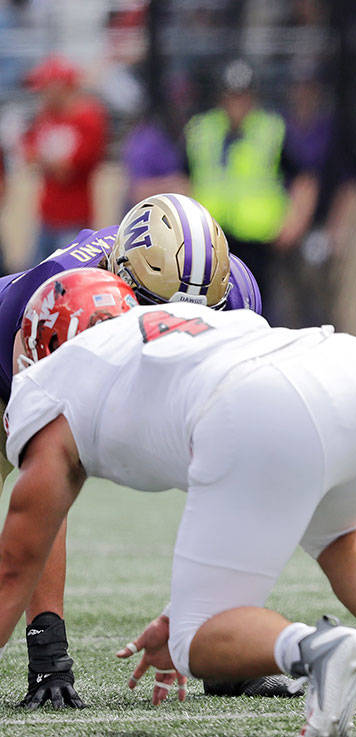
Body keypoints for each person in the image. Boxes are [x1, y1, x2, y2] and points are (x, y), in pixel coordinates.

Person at [0, 268, 356, 736]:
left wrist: (187, 624)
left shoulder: (52, 383)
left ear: (44, 336)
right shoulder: (165, 329)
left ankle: (318, 649)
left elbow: (16, 566)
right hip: (354, 367)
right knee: (342, 536)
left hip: (259, 398)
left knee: (194, 641)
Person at [0, 193, 266, 708]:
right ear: (120, 281)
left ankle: (225, 644)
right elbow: (45, 491)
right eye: (155, 313)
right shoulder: (60, 303)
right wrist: (48, 655)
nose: (174, 333)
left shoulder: (235, 293)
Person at [184, 59, 316, 320]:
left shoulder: (272, 128)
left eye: (243, 97)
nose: (237, 104)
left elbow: (304, 178)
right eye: (232, 96)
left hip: (259, 238)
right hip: (212, 238)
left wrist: (295, 221)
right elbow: (185, 176)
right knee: (209, 309)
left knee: (258, 308)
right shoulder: (202, 129)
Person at [20, 55, 107, 267]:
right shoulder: (46, 116)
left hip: (74, 220)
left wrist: (44, 160)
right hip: (46, 215)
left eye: (46, 88)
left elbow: (66, 172)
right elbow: (29, 156)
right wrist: (47, 161)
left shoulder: (89, 119)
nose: (42, 94)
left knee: (68, 277)